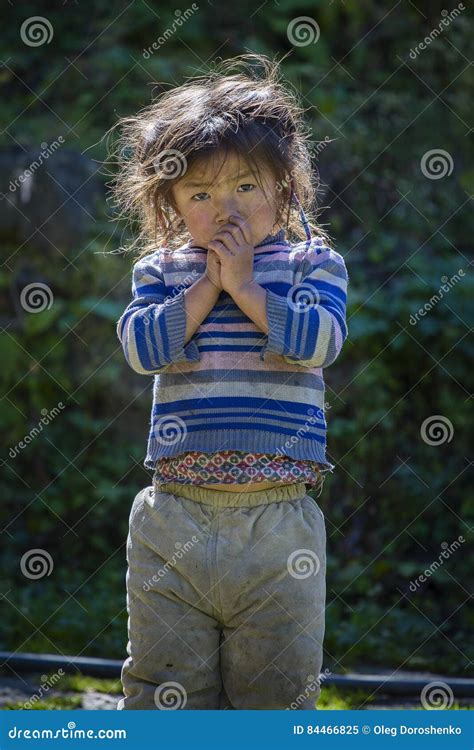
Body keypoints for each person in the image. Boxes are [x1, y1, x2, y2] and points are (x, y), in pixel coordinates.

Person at [111, 53, 349, 710]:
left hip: (278, 523)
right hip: (174, 516)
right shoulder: (162, 270)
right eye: (200, 194)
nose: (225, 210)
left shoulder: (311, 264)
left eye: (246, 187)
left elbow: (321, 341)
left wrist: (243, 288)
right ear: (170, 203)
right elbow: (141, 347)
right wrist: (204, 288)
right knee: (167, 693)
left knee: (275, 694)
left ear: (286, 187)